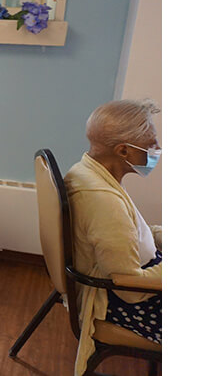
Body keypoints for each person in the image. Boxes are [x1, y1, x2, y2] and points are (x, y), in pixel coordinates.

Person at [63, 99, 162, 375]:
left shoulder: (89, 172)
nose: (156, 151)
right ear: (124, 150)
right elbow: (128, 287)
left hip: (134, 279)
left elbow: (134, 231)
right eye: (152, 145)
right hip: (124, 301)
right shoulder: (102, 199)